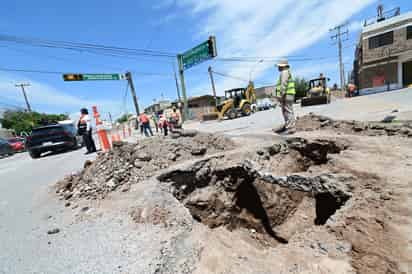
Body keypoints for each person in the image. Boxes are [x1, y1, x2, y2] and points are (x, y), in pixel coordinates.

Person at [273, 59, 296, 134]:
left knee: (287, 111)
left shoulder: (284, 72)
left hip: (286, 95)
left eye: (279, 66)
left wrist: (281, 95)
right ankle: (290, 126)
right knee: (289, 111)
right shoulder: (287, 72)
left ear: (282, 66)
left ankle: (290, 128)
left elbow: (283, 84)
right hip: (289, 94)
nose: (278, 68)